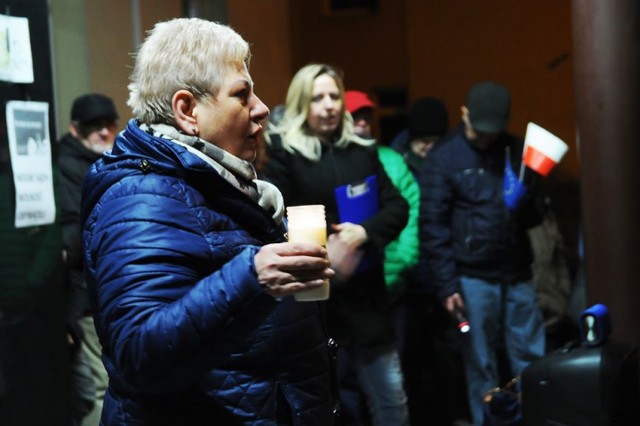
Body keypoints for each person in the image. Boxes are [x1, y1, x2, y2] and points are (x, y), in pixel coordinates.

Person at [81, 18, 336, 425]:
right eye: (242, 94)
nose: (262, 108)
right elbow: (140, 354)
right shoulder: (142, 199)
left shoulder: (221, 183)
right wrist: (252, 279)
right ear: (187, 111)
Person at [263, 65, 410, 426]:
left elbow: (397, 206)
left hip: (367, 301)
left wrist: (363, 232)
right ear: (301, 104)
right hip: (316, 305)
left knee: (392, 402)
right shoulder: (284, 155)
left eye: (333, 97)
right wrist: (327, 243)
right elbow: (275, 222)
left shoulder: (362, 150)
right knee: (330, 407)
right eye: (317, 98)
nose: (328, 106)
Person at [420, 81, 546, 425]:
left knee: (531, 358)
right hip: (472, 278)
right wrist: (447, 286)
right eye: (480, 131)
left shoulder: (516, 150)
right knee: (480, 364)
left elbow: (535, 218)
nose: (486, 138)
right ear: (464, 114)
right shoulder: (444, 156)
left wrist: (530, 194)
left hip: (517, 272)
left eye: (494, 131)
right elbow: (433, 225)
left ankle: (534, 418)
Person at [58, 93, 119, 425]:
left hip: (95, 292)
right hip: (82, 297)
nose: (105, 132)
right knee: (99, 389)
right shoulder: (70, 166)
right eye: (95, 127)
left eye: (110, 124)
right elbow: (76, 234)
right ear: (75, 129)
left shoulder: (97, 163)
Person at [390, 96, 449, 177]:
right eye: (425, 141)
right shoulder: (394, 164)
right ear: (412, 139)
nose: (430, 146)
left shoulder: (452, 161)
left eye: (436, 141)